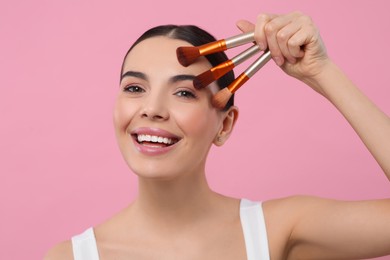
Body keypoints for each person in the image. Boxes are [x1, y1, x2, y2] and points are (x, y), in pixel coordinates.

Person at [45, 11, 390, 259]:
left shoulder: (276, 231)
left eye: (183, 93)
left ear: (224, 125)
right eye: (135, 87)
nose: (152, 109)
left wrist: (322, 72)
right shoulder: (70, 256)